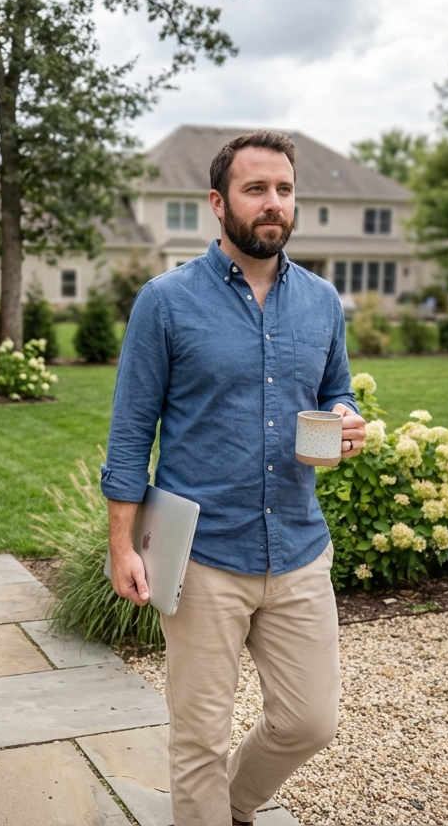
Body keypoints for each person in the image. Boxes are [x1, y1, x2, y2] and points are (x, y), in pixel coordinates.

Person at [101, 130, 367, 826]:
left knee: (309, 723)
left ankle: (234, 804)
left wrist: (347, 417)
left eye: (283, 189)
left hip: (300, 550)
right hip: (203, 556)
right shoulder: (166, 302)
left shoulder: (321, 302)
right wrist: (122, 545)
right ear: (218, 203)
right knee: (199, 738)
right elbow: (131, 431)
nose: (273, 204)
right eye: (256, 189)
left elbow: (339, 389)